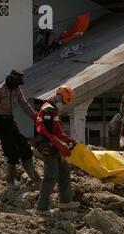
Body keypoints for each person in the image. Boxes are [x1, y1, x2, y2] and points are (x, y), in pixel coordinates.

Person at [35, 85, 80, 215]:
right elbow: (47, 133)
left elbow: (58, 132)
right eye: (64, 102)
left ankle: (65, 201)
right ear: (59, 97)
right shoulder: (48, 110)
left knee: (65, 169)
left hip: (53, 144)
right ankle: (42, 208)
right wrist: (61, 146)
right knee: (50, 176)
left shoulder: (53, 110)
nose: (64, 105)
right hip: (47, 146)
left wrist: (69, 140)